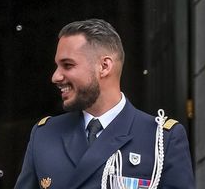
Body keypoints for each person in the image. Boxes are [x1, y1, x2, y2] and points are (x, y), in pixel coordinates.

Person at [14, 18, 195, 189]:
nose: (56, 77)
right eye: (57, 66)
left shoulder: (161, 139)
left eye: (67, 65)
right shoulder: (44, 135)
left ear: (104, 66)